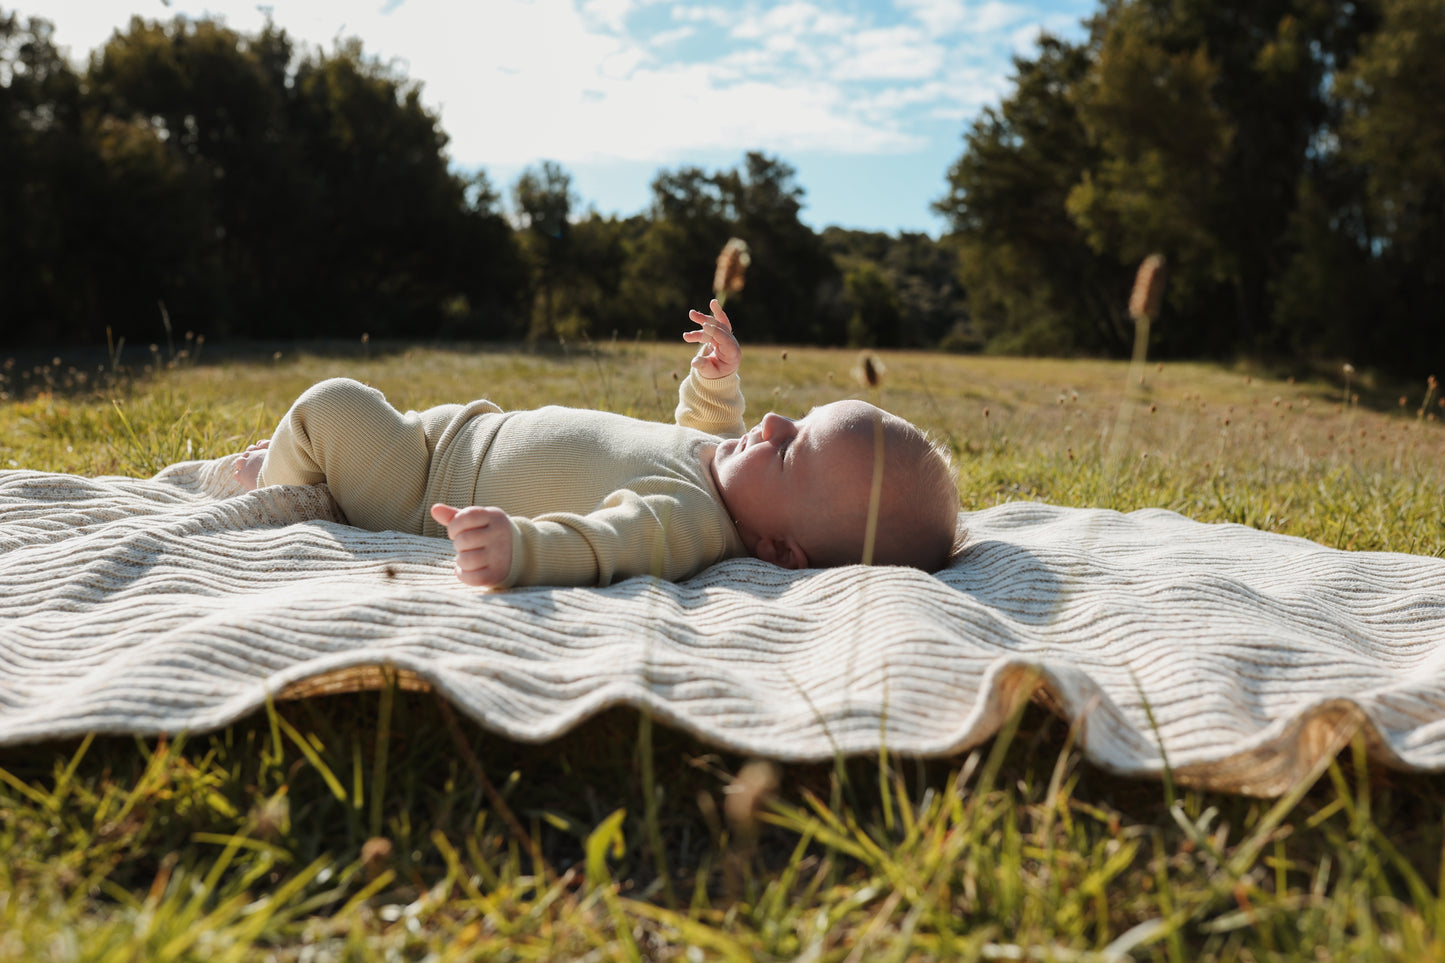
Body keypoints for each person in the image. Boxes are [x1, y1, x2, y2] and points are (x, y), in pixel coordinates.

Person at [233, 300, 959, 588]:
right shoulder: (725, 466)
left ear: (779, 552)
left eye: (791, 450)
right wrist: (715, 379)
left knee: (333, 405)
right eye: (794, 418)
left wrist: (519, 548)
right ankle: (293, 467)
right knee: (349, 418)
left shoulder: (681, 522)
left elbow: (601, 543)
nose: (771, 426)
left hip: (421, 491)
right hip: (452, 432)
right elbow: (704, 424)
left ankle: (276, 490)